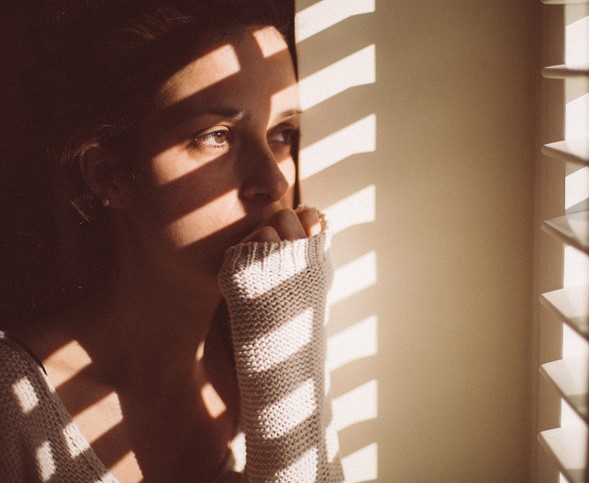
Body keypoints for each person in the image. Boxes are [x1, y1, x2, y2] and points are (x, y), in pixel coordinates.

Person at [0, 0, 344, 481]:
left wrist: (287, 347)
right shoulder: (14, 411)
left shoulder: (273, 345)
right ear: (110, 176)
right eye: (216, 135)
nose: (273, 180)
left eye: (283, 132)